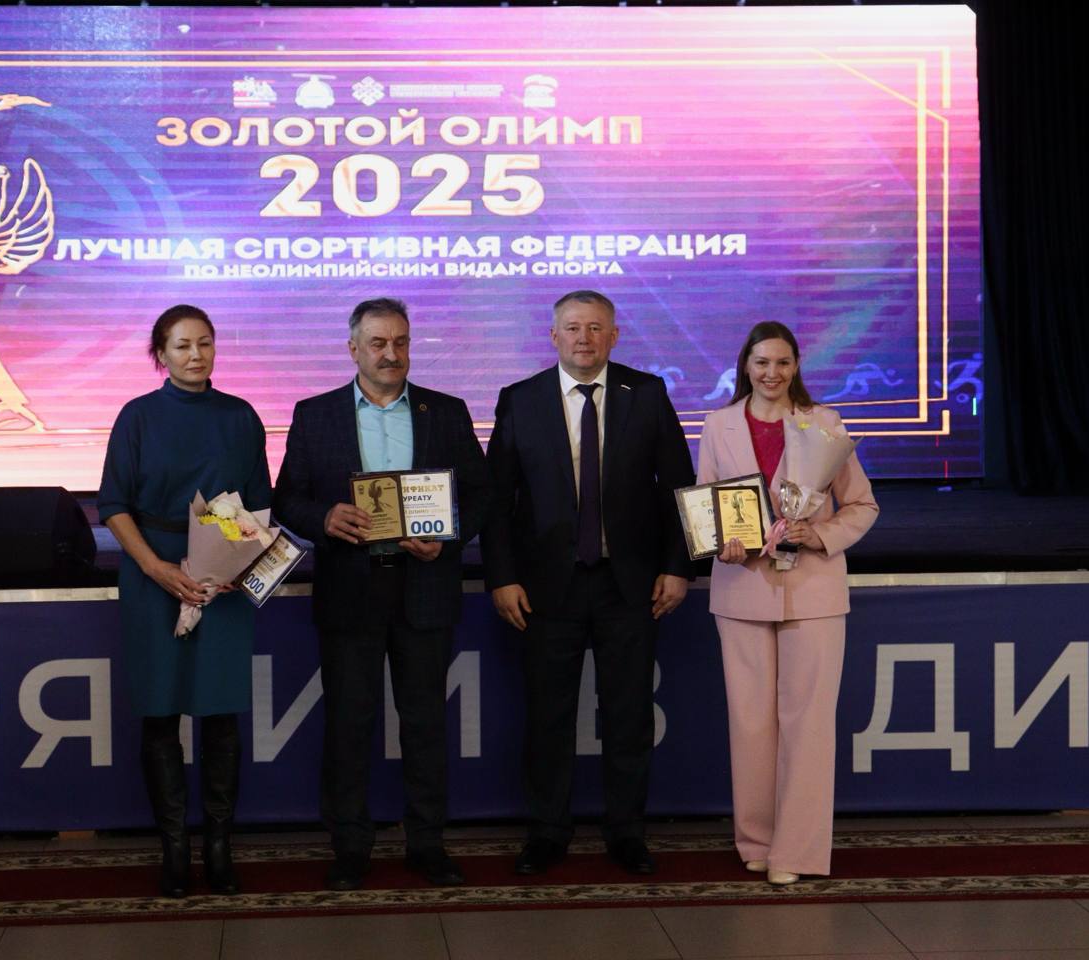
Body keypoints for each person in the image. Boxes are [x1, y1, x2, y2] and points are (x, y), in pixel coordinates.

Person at [272, 297, 489, 891]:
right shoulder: (315, 415)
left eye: (400, 342)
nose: (391, 354)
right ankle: (350, 847)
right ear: (353, 349)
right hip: (351, 589)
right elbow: (287, 498)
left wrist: (448, 534)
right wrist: (324, 519)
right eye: (378, 343)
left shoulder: (446, 412)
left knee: (426, 724)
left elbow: (481, 494)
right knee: (349, 724)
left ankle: (427, 844)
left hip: (425, 586)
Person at [482, 290, 695, 876]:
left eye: (596, 328)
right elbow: (497, 502)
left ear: (614, 336)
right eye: (573, 328)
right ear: (553, 336)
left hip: (630, 586)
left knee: (629, 715)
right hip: (545, 588)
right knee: (547, 716)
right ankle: (547, 832)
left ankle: (626, 832)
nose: (584, 338)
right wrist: (502, 577)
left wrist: (678, 566)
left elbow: (678, 487)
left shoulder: (645, 393)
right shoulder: (520, 399)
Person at [697, 320, 878, 886]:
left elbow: (862, 506)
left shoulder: (824, 423)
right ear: (744, 367)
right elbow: (708, 508)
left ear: (796, 365)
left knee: (808, 724)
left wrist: (817, 534)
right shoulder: (719, 424)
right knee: (750, 724)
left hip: (814, 591)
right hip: (741, 589)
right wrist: (721, 544)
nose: (771, 373)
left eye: (781, 362)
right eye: (761, 363)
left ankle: (795, 851)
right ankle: (756, 840)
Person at [98, 304, 270, 898]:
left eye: (205, 343)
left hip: (223, 578)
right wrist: (156, 569)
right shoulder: (137, 416)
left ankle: (219, 847)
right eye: (181, 346)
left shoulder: (241, 416)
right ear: (161, 354)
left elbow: (258, 504)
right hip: (154, 571)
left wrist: (235, 566)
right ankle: (174, 850)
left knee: (221, 715)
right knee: (160, 713)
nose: (196, 355)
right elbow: (113, 504)